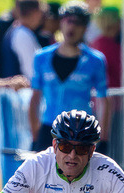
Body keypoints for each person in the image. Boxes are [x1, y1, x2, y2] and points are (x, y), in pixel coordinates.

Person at [29, 1, 108, 153]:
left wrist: (103, 138)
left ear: (85, 27)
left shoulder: (95, 60)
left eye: (78, 23)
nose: (72, 27)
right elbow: (35, 97)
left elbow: (103, 100)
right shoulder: (41, 57)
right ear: (61, 23)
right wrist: (35, 135)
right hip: (49, 127)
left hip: (80, 130)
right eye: (68, 21)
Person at [1, 0, 45, 80]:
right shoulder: (22, 34)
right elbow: (31, 71)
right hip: (22, 87)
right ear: (35, 13)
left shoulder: (20, 30)